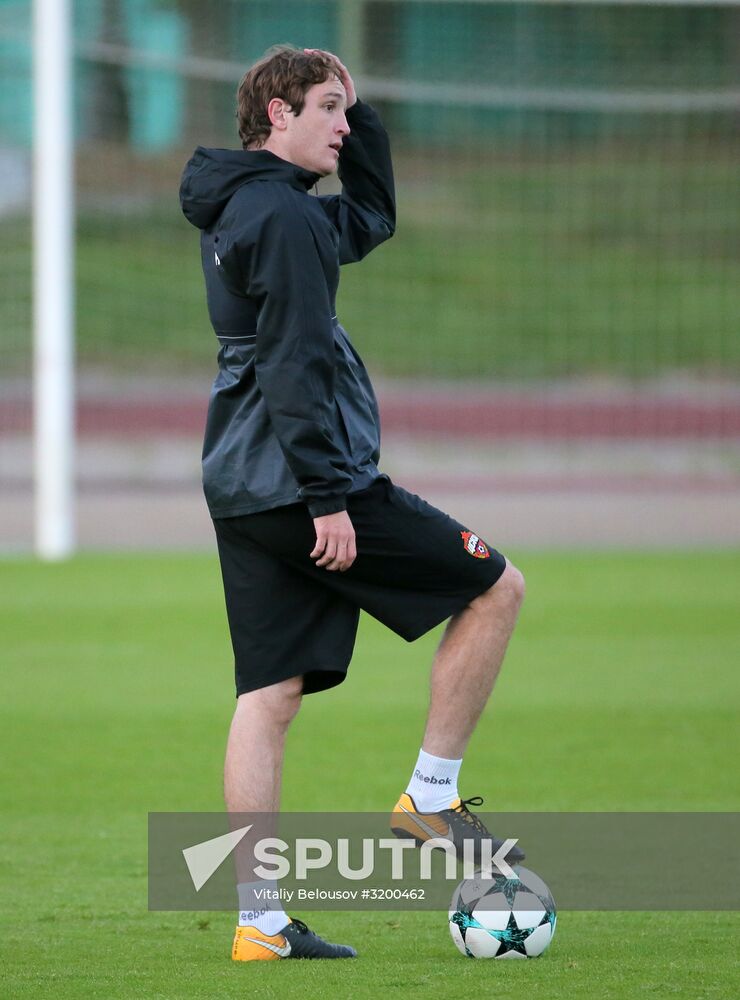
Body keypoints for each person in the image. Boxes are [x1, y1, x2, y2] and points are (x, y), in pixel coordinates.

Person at [180, 44, 525, 963]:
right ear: (276, 116)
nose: (342, 124)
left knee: (268, 695)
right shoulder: (281, 219)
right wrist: (329, 499)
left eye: (347, 111)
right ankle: (432, 794)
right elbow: (293, 362)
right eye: (329, 109)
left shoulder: (259, 204)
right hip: (304, 485)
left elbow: (369, 215)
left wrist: (363, 114)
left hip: (244, 485)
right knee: (497, 588)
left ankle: (260, 925)